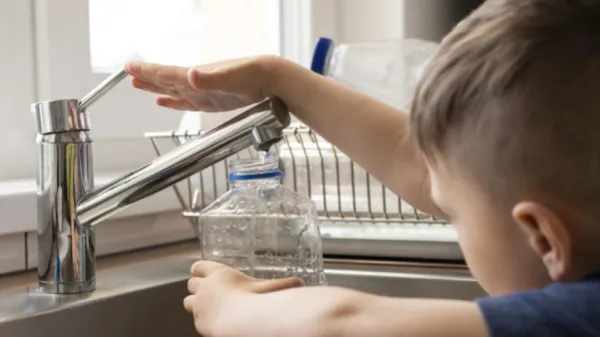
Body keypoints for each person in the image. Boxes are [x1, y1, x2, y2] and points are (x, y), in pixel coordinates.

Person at [124, 0, 600, 335]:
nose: (435, 200)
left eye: (448, 212)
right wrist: (278, 78)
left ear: (543, 238)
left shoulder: (579, 315)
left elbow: (339, 327)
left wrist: (231, 310)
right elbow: (422, 167)